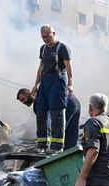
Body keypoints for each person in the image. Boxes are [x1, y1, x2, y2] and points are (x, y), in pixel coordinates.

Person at [32, 24, 74, 153]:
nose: (45, 39)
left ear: (54, 34)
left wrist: (70, 83)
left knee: (57, 113)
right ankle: (42, 145)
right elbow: (41, 67)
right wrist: (36, 84)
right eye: (43, 37)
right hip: (45, 82)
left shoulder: (62, 48)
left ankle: (56, 146)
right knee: (41, 112)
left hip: (58, 81)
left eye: (48, 36)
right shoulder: (43, 49)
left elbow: (68, 66)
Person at [16, 88, 80, 150]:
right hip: (74, 102)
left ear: (28, 93)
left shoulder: (40, 101)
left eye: (23, 99)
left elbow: (46, 123)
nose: (23, 102)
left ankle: (55, 149)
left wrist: (44, 144)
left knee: (59, 131)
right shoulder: (40, 95)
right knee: (71, 134)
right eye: (21, 101)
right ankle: (73, 152)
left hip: (65, 104)